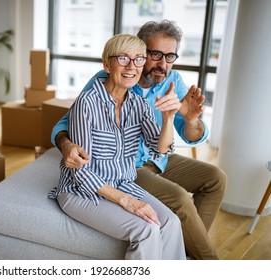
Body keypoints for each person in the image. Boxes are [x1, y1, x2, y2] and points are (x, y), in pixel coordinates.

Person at [51, 20, 227, 260]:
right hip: (121, 172)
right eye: (155, 54)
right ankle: (208, 262)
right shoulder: (96, 91)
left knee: (211, 183)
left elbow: (164, 146)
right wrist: (66, 144)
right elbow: (68, 130)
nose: (162, 63)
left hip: (146, 165)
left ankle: (185, 253)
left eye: (170, 56)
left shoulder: (159, 89)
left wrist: (184, 119)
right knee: (172, 204)